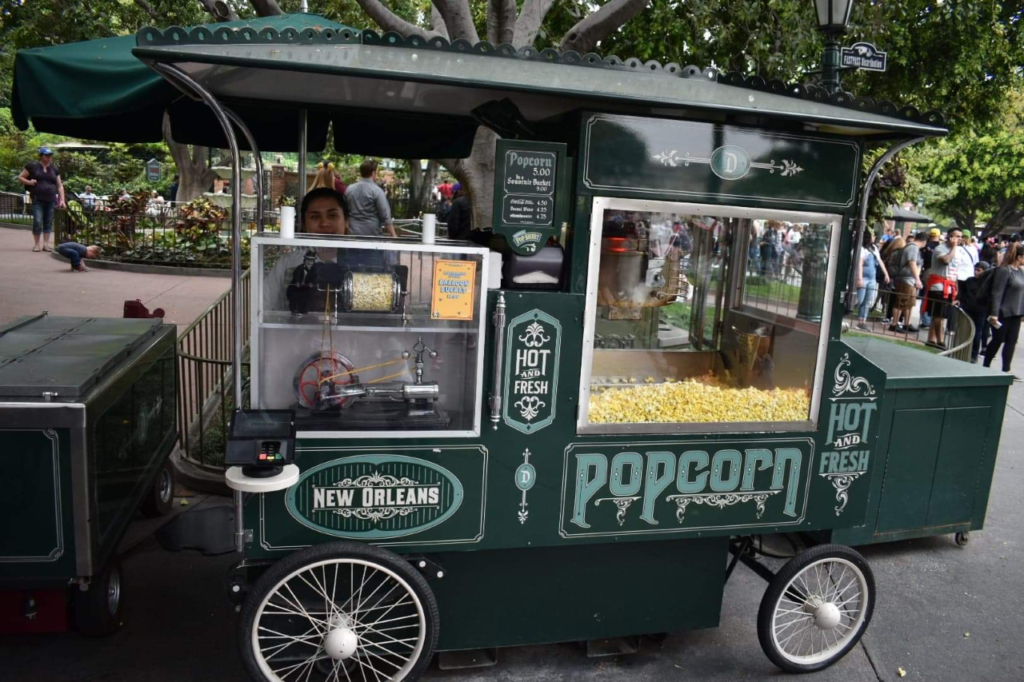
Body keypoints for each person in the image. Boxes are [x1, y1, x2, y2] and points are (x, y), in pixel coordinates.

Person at [264, 187, 349, 311]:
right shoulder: (288, 264)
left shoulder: (361, 265)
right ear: (304, 224)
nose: (324, 223)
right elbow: (264, 309)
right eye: (315, 217)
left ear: (346, 221)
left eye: (332, 215)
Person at [984, 242, 1024, 377]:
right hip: (1003, 312)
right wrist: (994, 313)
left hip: (1016, 312)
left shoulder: (1020, 271)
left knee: (1012, 341)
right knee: (997, 340)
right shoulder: (1004, 270)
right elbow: (997, 292)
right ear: (1019, 257)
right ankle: (986, 365)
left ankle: (1006, 369)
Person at [17, 146, 65, 252]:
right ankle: (36, 245)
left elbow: (60, 186)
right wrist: (29, 182)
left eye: (50, 155)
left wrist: (62, 200)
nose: (49, 157)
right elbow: (20, 177)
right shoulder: (32, 166)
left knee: (48, 222)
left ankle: (46, 245)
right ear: (41, 156)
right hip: (37, 199)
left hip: (51, 199)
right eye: (46, 155)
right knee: (38, 221)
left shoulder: (54, 169)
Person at [923, 227, 962, 349]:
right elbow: (946, 260)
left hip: (950, 285)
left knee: (940, 315)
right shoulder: (940, 248)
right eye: (956, 236)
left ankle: (931, 339)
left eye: (960, 237)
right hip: (938, 287)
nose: (959, 239)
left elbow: (955, 270)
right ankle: (940, 340)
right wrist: (954, 247)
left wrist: (956, 289)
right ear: (949, 237)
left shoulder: (959, 251)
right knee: (938, 315)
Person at [344, 159, 397, 237]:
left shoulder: (349, 189)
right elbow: (386, 217)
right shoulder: (377, 191)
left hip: (352, 234)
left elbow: (344, 211)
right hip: (372, 236)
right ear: (373, 173)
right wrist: (394, 236)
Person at [957, 261, 992, 363]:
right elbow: (962, 292)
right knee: (965, 330)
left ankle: (974, 354)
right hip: (968, 308)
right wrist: (959, 299)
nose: (976, 272)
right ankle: (963, 350)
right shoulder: (969, 280)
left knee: (977, 332)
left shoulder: (987, 284)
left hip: (981, 311)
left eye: (979, 270)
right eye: (975, 270)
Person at [892, 231, 926, 333]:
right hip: (906, 279)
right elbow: (912, 263)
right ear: (924, 241)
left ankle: (907, 323)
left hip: (909, 280)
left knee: (909, 303)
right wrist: (917, 279)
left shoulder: (912, 247)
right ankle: (894, 324)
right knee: (901, 302)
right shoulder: (913, 248)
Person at [855, 230, 888, 331]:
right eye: (873, 235)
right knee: (858, 300)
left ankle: (862, 321)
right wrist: (859, 278)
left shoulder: (874, 248)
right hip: (864, 278)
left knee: (867, 301)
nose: (874, 237)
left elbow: (880, 261)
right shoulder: (861, 249)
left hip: (871, 278)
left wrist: (886, 273)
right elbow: (859, 264)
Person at [880, 235, 905, 325]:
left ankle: (888, 316)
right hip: (897, 278)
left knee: (890, 298)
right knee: (897, 299)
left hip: (889, 277)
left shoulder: (889, 252)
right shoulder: (901, 253)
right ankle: (898, 319)